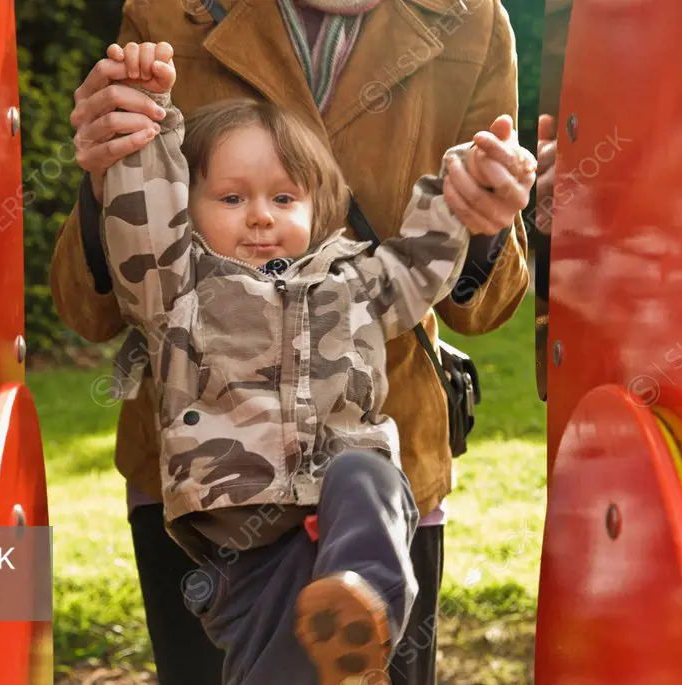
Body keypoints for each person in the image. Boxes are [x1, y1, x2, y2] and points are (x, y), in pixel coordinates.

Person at [51, 1, 532, 682]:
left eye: (284, 198)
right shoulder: (168, 12)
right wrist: (113, 174)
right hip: (215, 492)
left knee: (365, 487)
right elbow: (107, 294)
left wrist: (477, 213)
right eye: (236, 200)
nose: (260, 219)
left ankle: (358, 588)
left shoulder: (471, 20)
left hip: (382, 464)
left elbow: (458, 290)